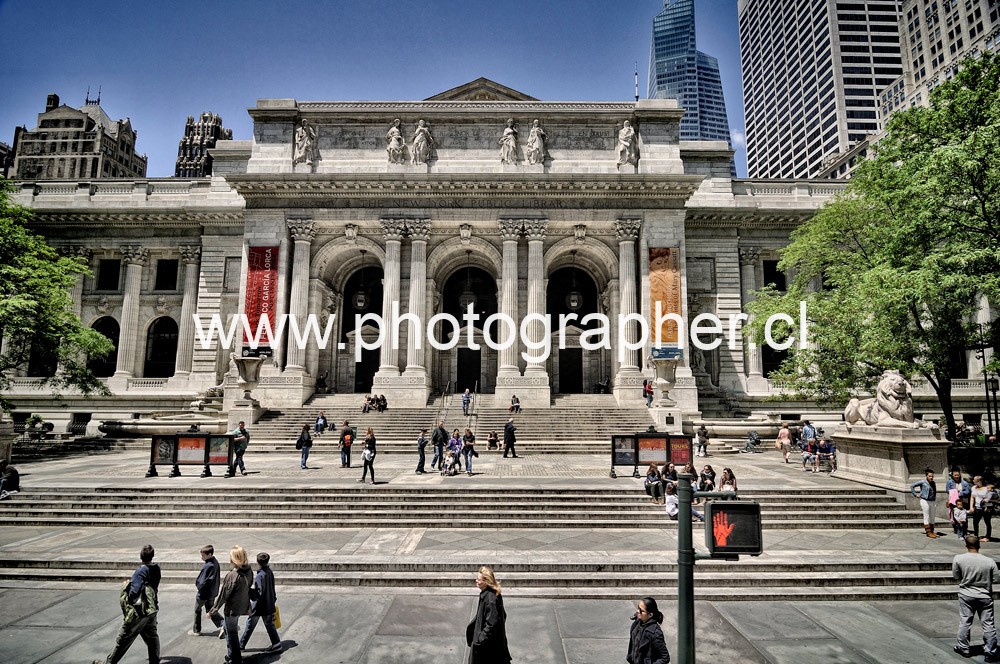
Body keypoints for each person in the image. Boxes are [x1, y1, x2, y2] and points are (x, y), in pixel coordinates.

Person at [94, 544, 160, 664]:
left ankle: (109, 662)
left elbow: (134, 593)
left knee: (124, 638)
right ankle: (154, 660)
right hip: (152, 607)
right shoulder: (156, 568)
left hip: (139, 611)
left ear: (140, 556)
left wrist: (126, 585)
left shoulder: (140, 572)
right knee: (152, 635)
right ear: (152, 556)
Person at [952, 534, 1000, 661]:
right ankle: (991, 651)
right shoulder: (989, 561)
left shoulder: (958, 558)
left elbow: (956, 576)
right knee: (988, 623)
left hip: (966, 593)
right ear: (979, 545)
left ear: (966, 545)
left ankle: (964, 647)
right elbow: (997, 578)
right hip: (984, 595)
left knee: (965, 621)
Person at [210, 545, 254, 664]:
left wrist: (213, 610)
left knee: (231, 633)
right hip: (242, 606)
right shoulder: (249, 570)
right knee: (230, 631)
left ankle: (235, 658)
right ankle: (232, 656)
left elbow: (223, 595)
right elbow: (249, 585)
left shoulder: (232, 576)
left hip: (232, 609)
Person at [466, 566, 512, 664]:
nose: (476, 581)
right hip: (491, 647)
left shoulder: (490, 599)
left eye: (479, 580)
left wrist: (479, 640)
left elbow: (492, 624)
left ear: (486, 581)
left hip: (488, 650)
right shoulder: (490, 594)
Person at [238, 552, 282, 654]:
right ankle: (276, 644)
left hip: (259, 606)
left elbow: (258, 593)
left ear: (257, 562)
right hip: (268, 603)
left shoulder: (259, 576)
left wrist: (249, 591)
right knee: (269, 624)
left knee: (250, 625)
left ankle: (241, 645)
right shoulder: (269, 572)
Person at [188, 544, 222, 637]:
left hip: (204, 593)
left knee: (197, 610)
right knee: (211, 610)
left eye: (203, 555)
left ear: (210, 554)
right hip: (212, 592)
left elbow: (202, 581)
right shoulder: (215, 562)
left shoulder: (208, 566)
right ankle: (223, 624)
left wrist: (198, 586)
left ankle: (196, 630)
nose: (202, 557)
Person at [627, 596, 670, 664]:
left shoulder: (655, 633)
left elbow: (665, 658)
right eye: (638, 608)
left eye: (641, 610)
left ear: (650, 615)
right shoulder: (636, 624)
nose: (638, 611)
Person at [912, 468, 944, 538]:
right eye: (930, 476)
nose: (931, 477)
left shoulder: (933, 483)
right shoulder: (923, 482)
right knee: (926, 516)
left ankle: (932, 531)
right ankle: (928, 532)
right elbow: (912, 486)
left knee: (932, 517)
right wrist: (915, 494)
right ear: (926, 476)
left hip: (932, 501)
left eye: (932, 476)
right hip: (925, 500)